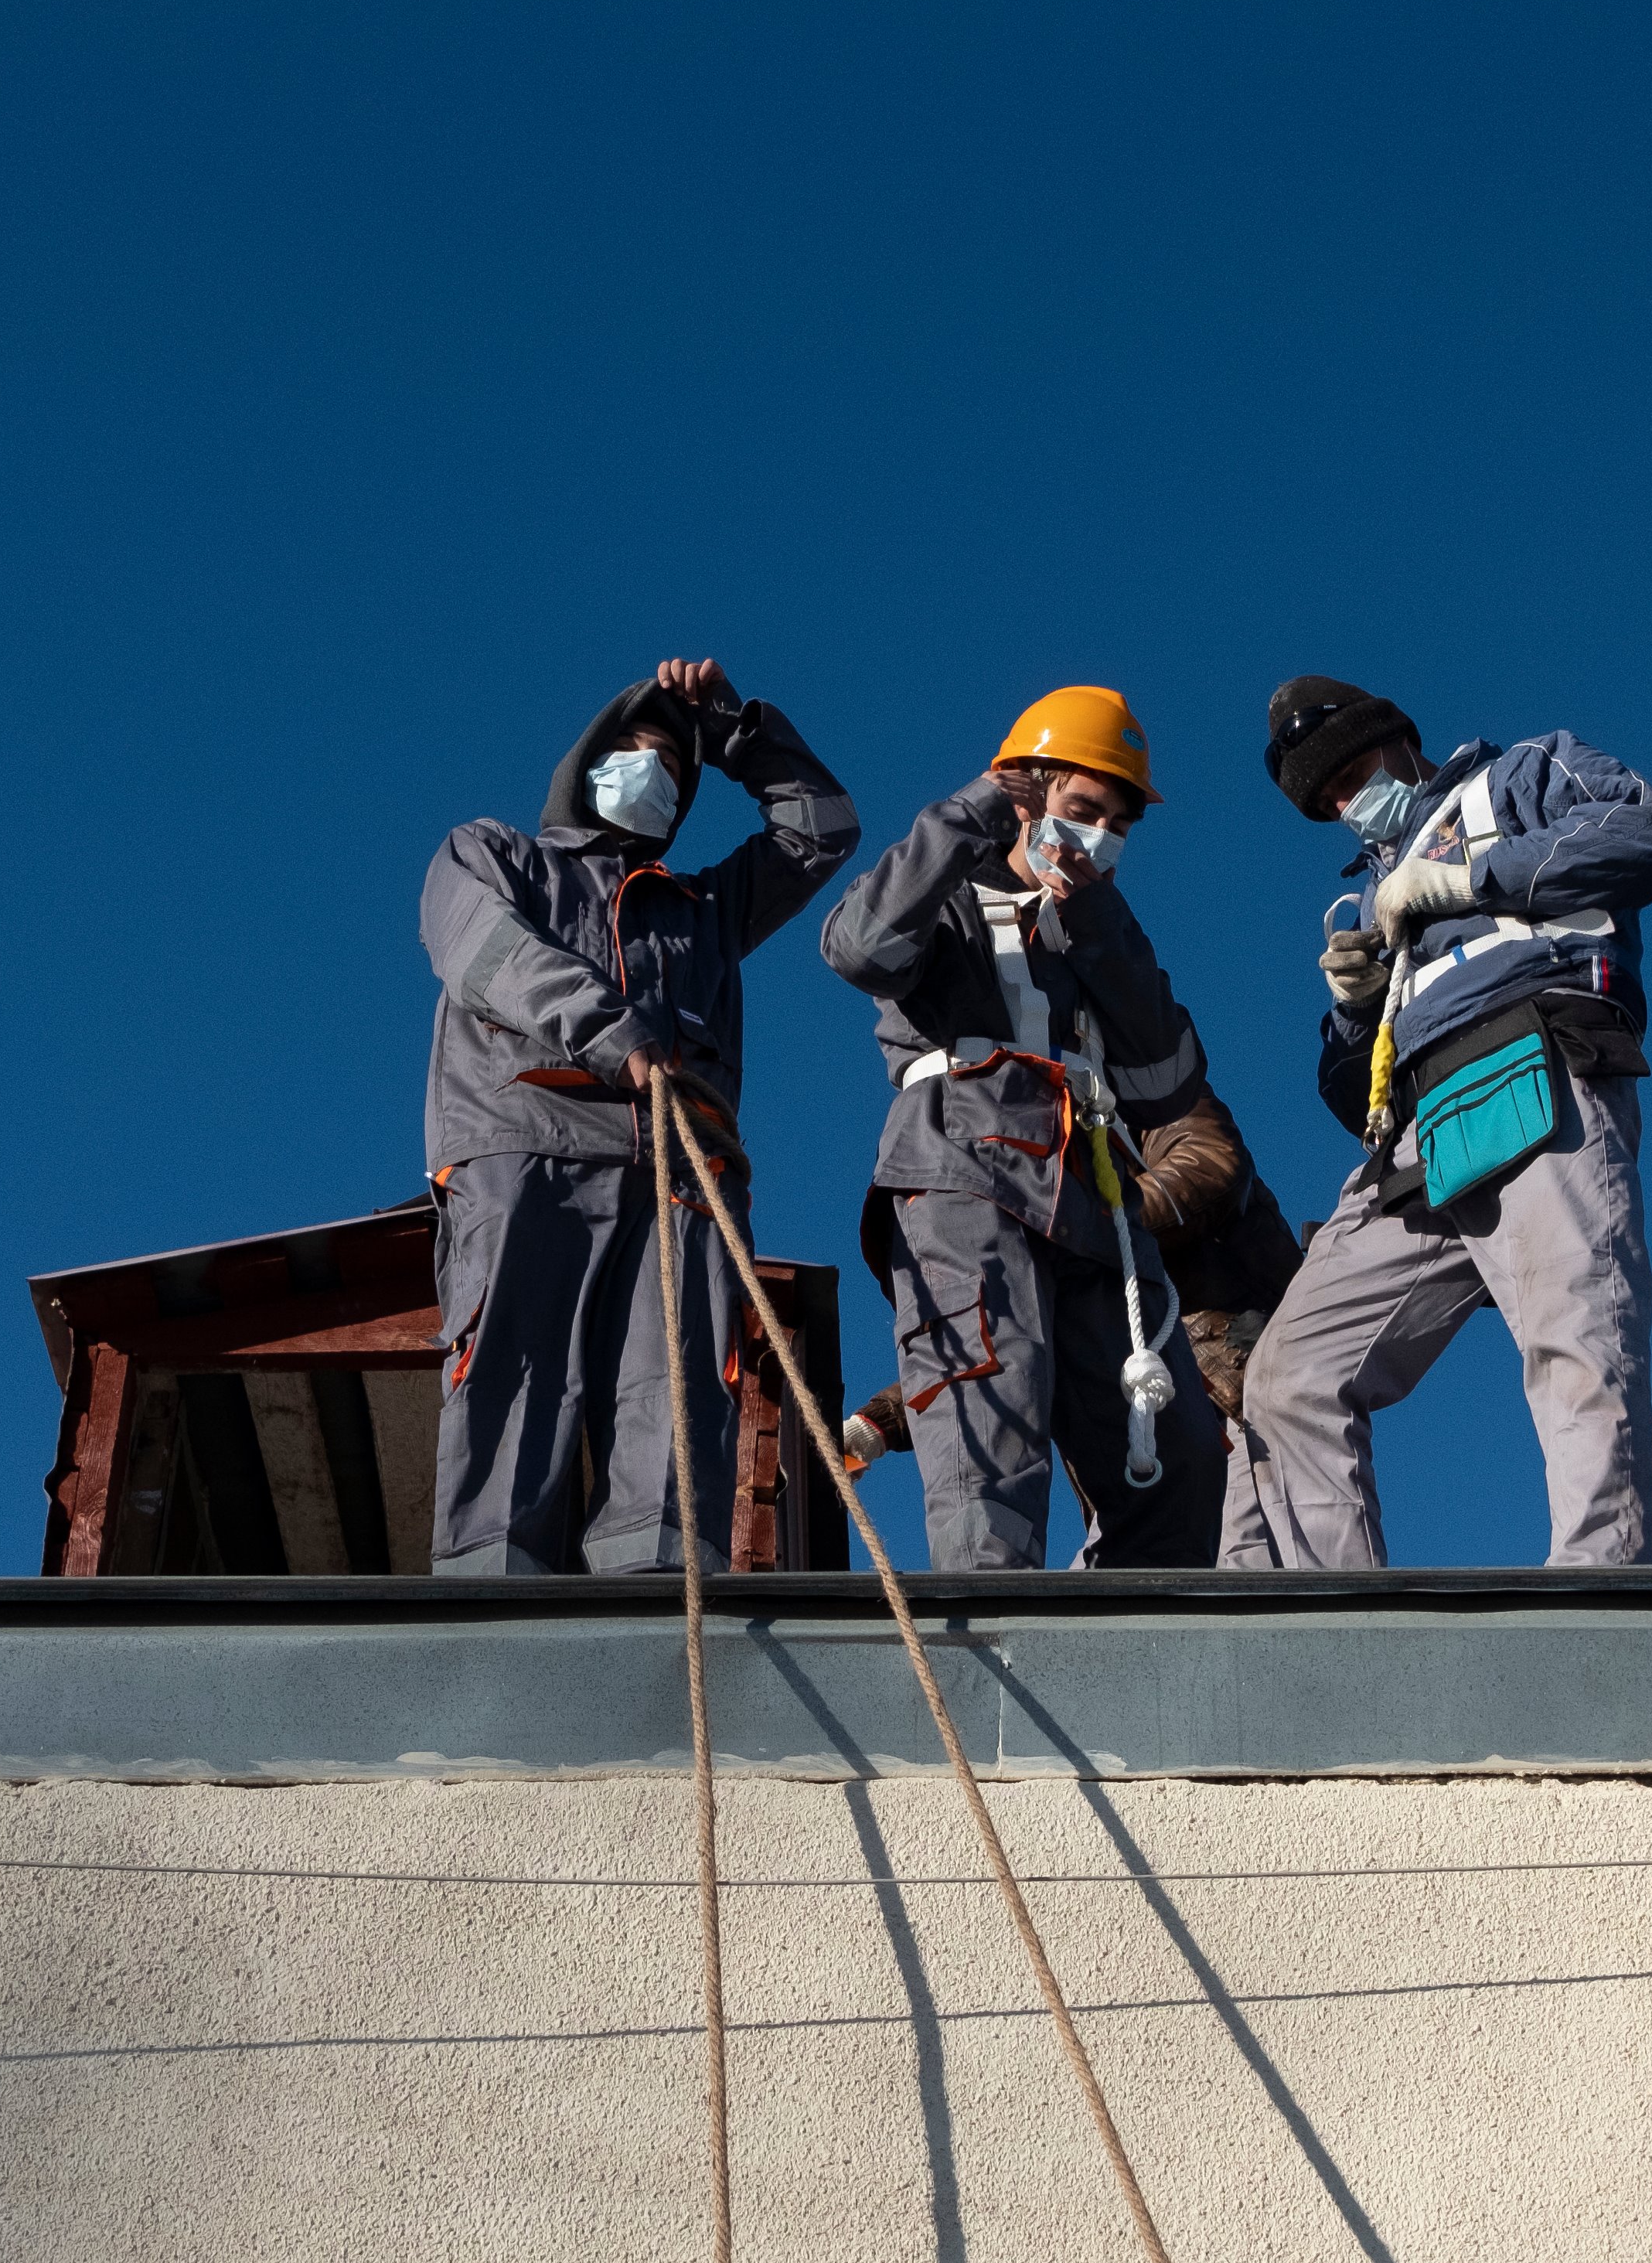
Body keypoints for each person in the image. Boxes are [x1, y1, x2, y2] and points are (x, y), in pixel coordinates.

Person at [415, 658, 857, 1575]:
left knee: (681, 1380)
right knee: (516, 1365)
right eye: (635, 748)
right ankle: (490, 1590)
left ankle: (660, 1596)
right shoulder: (493, 855)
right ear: (588, 762)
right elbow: (485, 952)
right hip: (526, 1155)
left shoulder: (703, 909)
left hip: (682, 1173)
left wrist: (733, 725)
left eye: (672, 760)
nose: (653, 768)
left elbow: (823, 828)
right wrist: (615, 1033)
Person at [1234, 675, 1652, 1566]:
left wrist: (1470, 878)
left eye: (1353, 772)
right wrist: (1355, 1014)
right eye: (1327, 803)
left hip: (1533, 1067)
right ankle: (1335, 1630)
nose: (1347, 803)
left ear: (1401, 738)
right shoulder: (1368, 901)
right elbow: (1349, 1093)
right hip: (1420, 1138)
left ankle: (1601, 1596)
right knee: (1290, 1377)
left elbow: (1647, 834)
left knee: (1574, 1334)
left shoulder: (1523, 774)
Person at [819, 687, 1228, 1569]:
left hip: (1091, 1196)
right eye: (1084, 809)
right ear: (1027, 793)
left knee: (1175, 1447)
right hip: (960, 1166)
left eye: (1121, 821)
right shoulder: (943, 896)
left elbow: (1166, 1081)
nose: (1102, 835)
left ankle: (1142, 1656)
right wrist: (973, 810)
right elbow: (859, 949)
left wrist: (1096, 923)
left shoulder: (1100, 934)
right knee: (988, 1422)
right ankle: (990, 1646)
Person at [837, 1085, 1308, 1563]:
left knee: (1235, 1584)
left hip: (1234, 1412)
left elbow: (1213, 1167)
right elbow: (1001, 1345)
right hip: (1140, 1458)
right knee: (1105, 1604)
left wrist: (1076, 1217)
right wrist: (881, 1420)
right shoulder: (1053, 1191)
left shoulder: (1144, 1098)